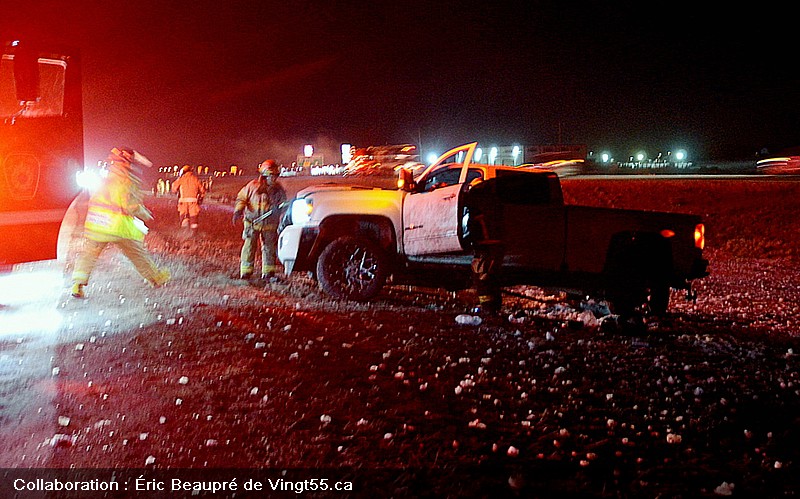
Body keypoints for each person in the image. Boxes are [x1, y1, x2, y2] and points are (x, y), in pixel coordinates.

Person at [70, 147, 171, 298]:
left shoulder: (104, 176)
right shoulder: (126, 180)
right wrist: (146, 214)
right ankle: (156, 278)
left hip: (96, 225)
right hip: (117, 227)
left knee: (88, 255)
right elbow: (130, 205)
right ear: (127, 162)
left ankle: (77, 284)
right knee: (138, 254)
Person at [232, 159, 287, 281]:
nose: (273, 179)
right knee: (249, 246)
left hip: (269, 224)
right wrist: (238, 210)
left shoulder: (278, 189)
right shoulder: (252, 186)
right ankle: (246, 272)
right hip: (252, 222)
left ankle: (268, 273)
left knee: (269, 248)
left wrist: (281, 209)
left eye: (275, 176)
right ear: (264, 175)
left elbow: (283, 203)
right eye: (271, 176)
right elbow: (241, 199)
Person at [171, 164, 206, 231]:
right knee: (194, 219)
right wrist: (200, 198)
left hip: (183, 203)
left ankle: (184, 233)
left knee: (183, 217)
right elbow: (202, 191)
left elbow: (174, 189)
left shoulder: (181, 179)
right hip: (193, 203)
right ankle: (193, 234)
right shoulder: (195, 179)